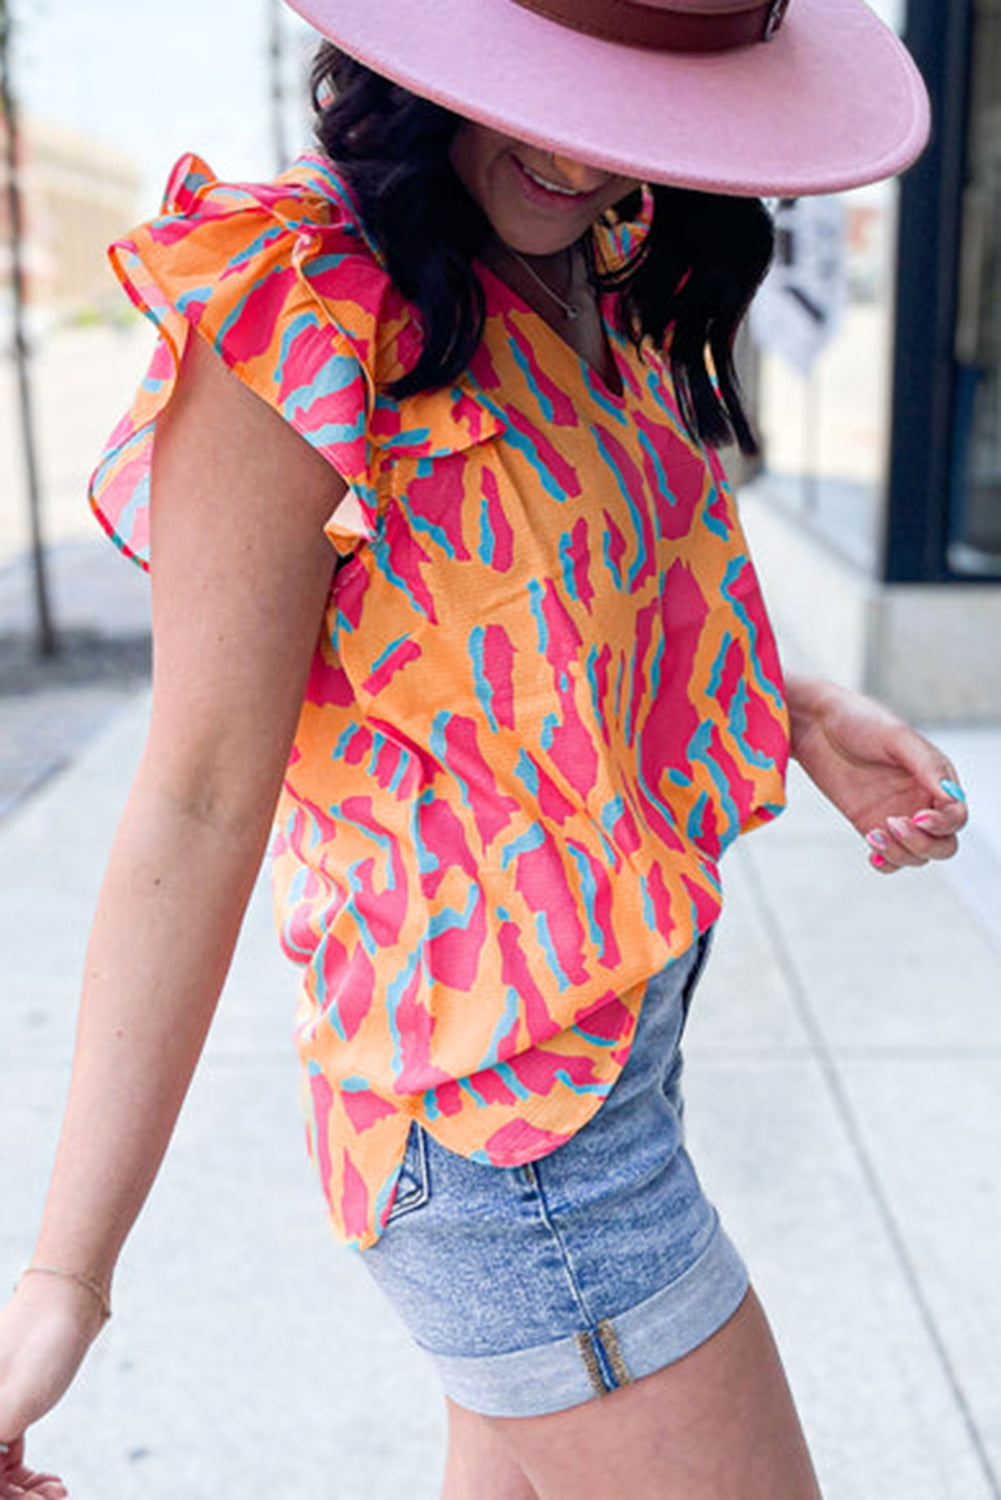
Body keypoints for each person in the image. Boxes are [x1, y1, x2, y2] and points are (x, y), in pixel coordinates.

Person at [0, 1, 969, 1496]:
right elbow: (198, 796)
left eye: (636, 98)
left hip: (609, 1066)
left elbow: (536, 609)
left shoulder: (594, 255)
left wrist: (792, 706)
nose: (581, 150)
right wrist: (68, 1277)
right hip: (511, 1135)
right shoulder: (305, 303)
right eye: (555, 86)